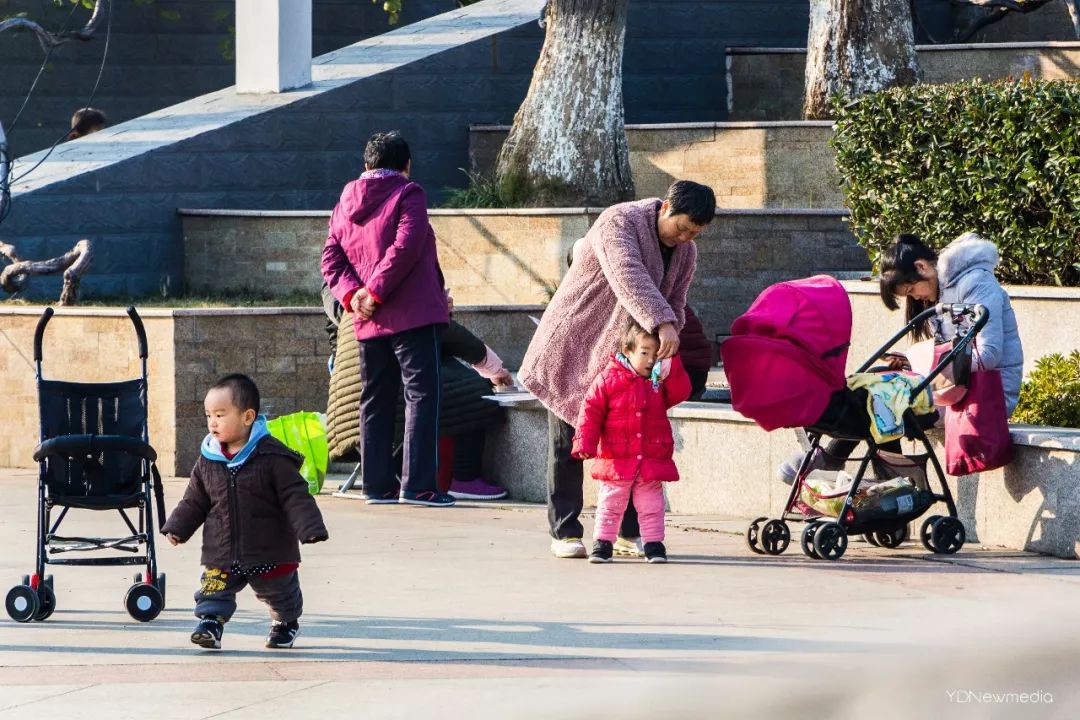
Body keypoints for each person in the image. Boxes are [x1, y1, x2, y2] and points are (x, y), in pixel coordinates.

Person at [519, 179, 716, 559]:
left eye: (695, 233)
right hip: (573, 342)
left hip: (625, 358)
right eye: (682, 228)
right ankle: (565, 531)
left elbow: (676, 299)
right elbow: (628, 274)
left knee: (629, 439)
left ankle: (626, 531)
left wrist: (667, 339)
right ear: (665, 208)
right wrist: (662, 323)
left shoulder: (685, 251)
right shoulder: (619, 221)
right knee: (567, 440)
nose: (685, 237)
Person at [778, 231, 1024, 482]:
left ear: (921, 266)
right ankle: (880, 485)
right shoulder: (944, 289)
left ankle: (863, 475)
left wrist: (928, 365)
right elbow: (952, 350)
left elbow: (989, 355)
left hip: (985, 395)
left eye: (911, 289)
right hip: (954, 387)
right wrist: (914, 362)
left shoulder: (975, 284)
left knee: (884, 402)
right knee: (876, 381)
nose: (916, 297)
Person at [321, 130, 453, 507]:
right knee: (421, 396)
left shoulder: (345, 200)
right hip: (411, 313)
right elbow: (406, 246)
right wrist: (374, 291)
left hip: (368, 319)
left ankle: (376, 486)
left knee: (375, 399)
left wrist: (354, 294)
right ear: (406, 166)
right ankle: (419, 486)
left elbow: (330, 258)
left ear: (366, 166)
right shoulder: (409, 193)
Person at [161, 374, 329, 650]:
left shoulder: (272, 456)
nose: (212, 422)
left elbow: (295, 495)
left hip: (269, 549)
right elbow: (194, 499)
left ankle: (285, 623)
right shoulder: (208, 459)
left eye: (220, 414)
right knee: (214, 589)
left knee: (280, 592)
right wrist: (178, 526)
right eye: (208, 415)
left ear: (248, 416)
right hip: (222, 548)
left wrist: (309, 528)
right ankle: (210, 623)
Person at [323, 289, 514, 501]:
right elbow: (449, 334)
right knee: (474, 392)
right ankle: (465, 477)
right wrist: (493, 368)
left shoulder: (343, 286)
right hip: (390, 385)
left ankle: (382, 485)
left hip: (346, 411)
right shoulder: (400, 285)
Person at [572, 321, 691, 564]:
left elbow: (681, 392)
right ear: (628, 351)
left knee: (652, 505)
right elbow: (591, 411)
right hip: (617, 457)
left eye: (655, 354)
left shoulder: (659, 381)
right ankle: (603, 543)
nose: (650, 360)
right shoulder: (608, 379)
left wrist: (672, 359)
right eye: (644, 353)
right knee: (611, 503)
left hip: (649, 457)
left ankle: (654, 544)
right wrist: (585, 443)